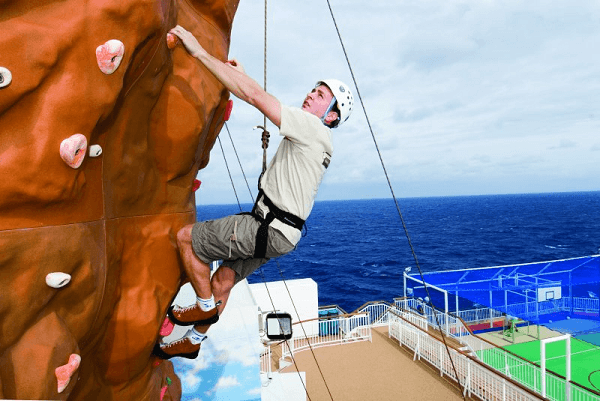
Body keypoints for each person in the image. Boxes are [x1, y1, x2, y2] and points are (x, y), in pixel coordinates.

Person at [153, 25, 354, 359]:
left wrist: (198, 52)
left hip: (266, 227)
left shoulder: (311, 127)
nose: (310, 94)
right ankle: (194, 340)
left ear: (331, 115)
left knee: (187, 239)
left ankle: (204, 306)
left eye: (320, 95)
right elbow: (259, 95)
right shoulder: (319, 140)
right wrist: (244, 77)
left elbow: (255, 98)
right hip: (282, 235)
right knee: (224, 279)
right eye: (312, 89)